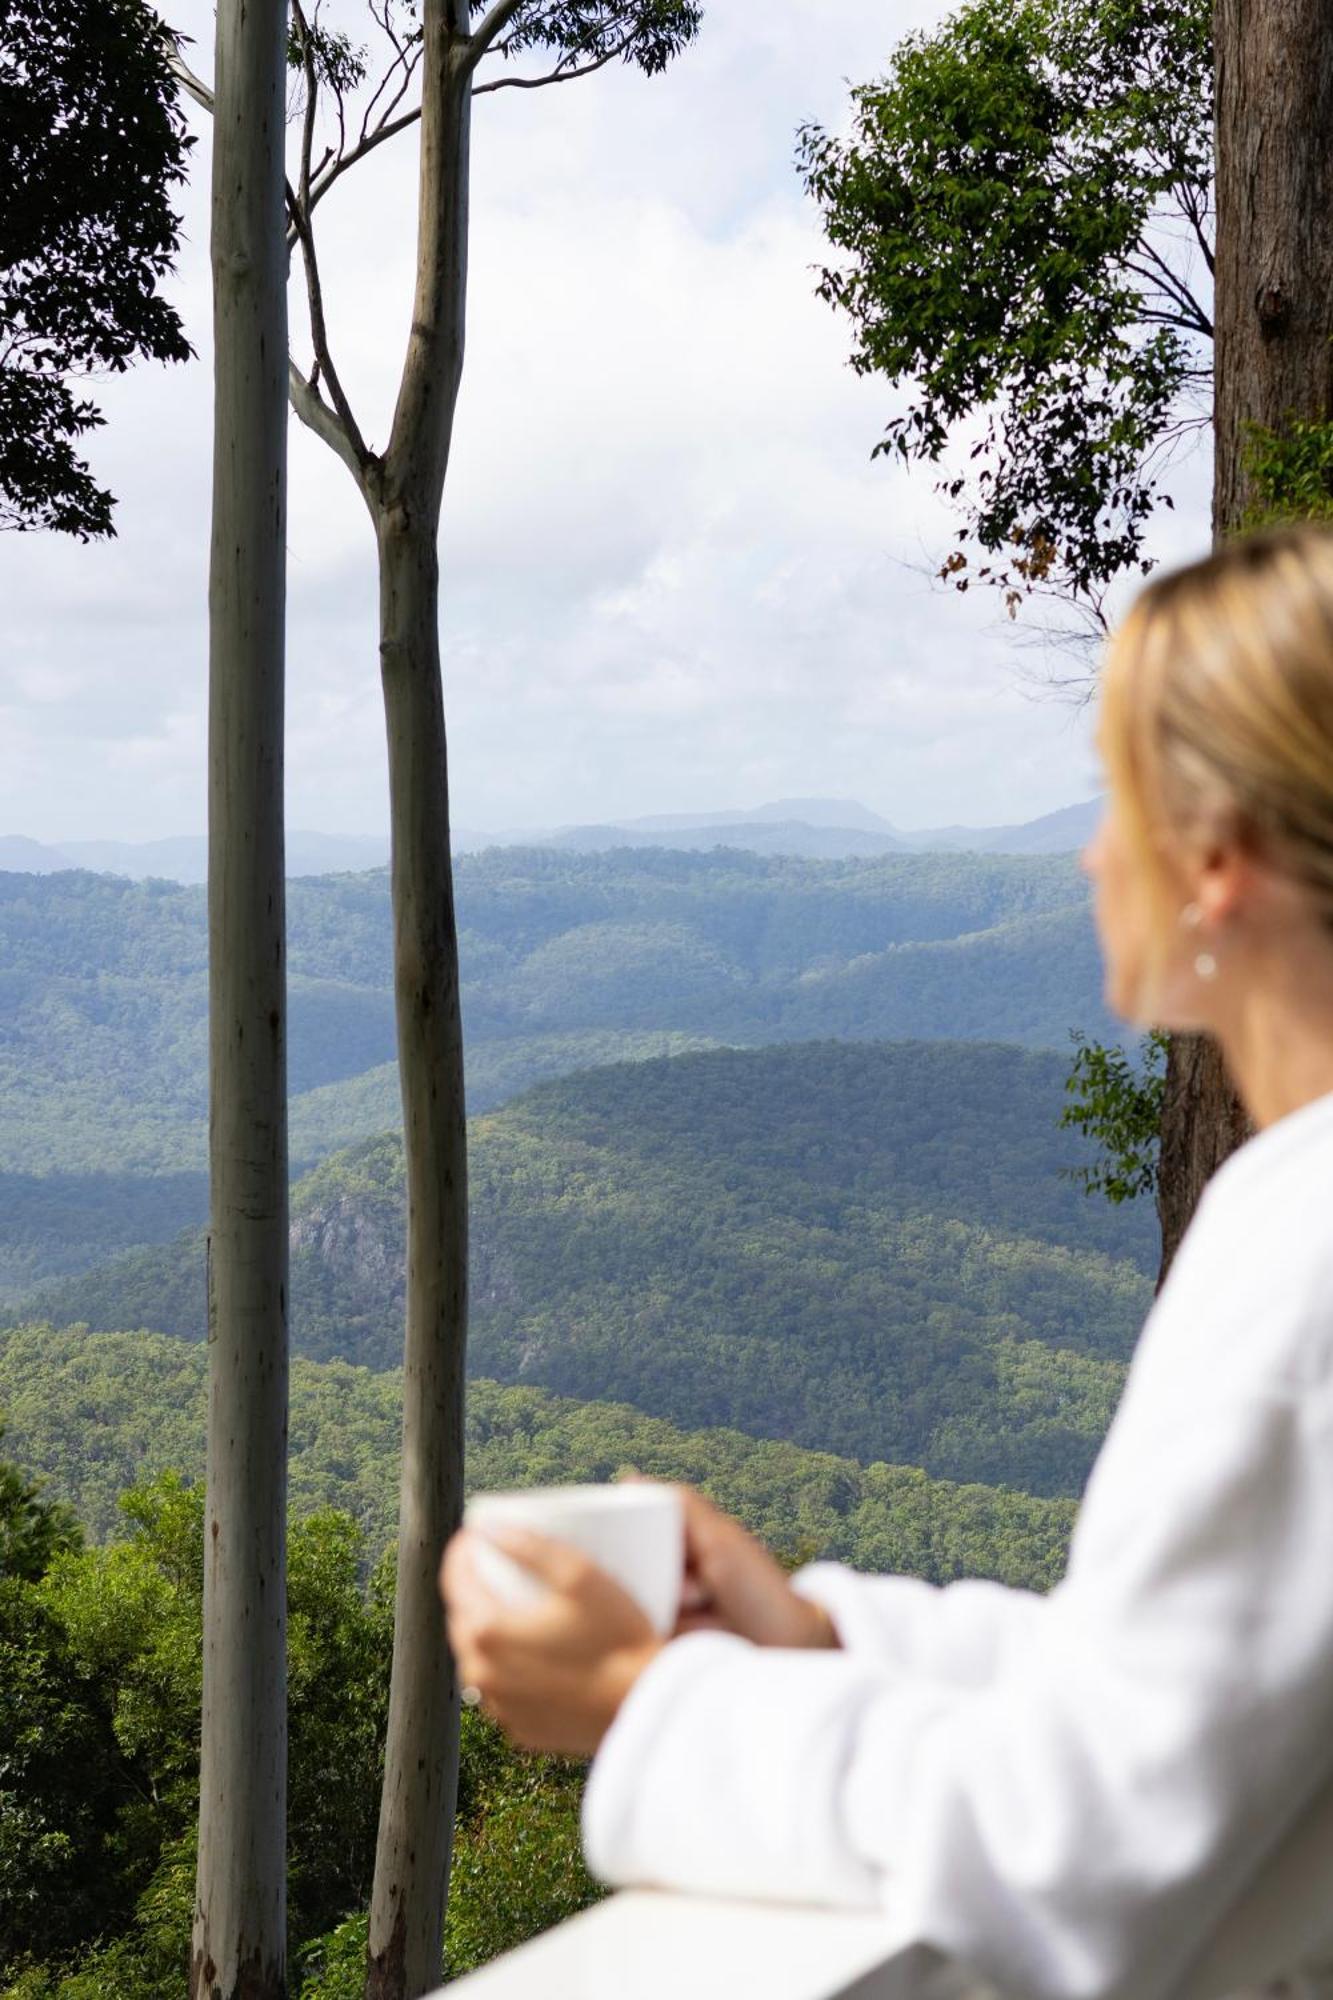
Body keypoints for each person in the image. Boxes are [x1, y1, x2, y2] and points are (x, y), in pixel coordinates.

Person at [442, 527, 1333, 2000]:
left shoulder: (1300, 1241)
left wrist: (645, 1697)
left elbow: (1078, 1858)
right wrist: (819, 1630)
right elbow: (1197, 1696)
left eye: (1111, 797)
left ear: (1215, 858)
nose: (1084, 850)